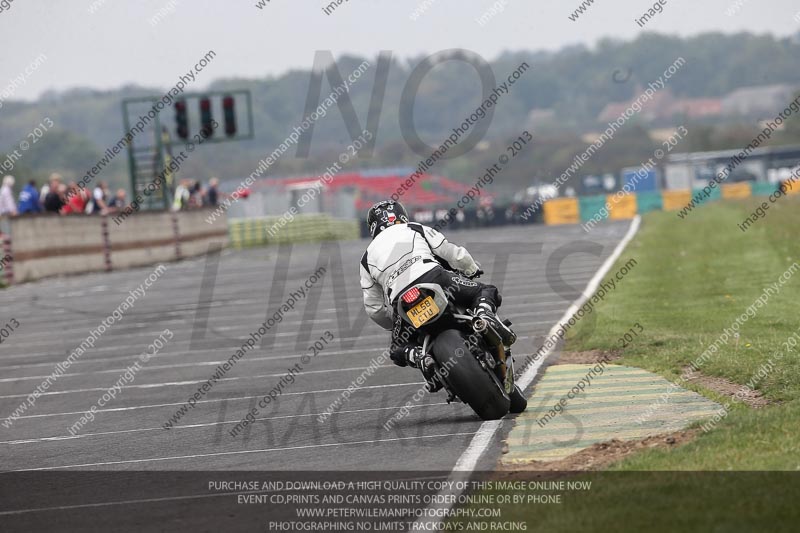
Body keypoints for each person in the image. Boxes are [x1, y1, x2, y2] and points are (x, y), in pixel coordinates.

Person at [359, 200, 513, 389]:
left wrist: (396, 323)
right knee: (484, 290)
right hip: (433, 277)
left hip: (401, 299)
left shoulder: (366, 258)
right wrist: (471, 269)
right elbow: (452, 253)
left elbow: (373, 308)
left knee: (397, 348)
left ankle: (418, 356)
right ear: (401, 216)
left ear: (372, 228)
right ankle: (483, 314)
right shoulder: (414, 227)